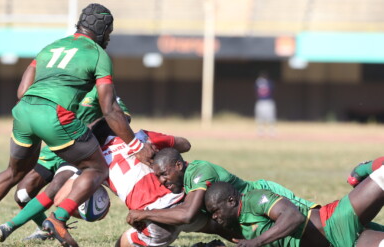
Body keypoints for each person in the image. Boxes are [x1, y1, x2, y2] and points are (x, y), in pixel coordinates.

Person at [0, 3, 154, 247]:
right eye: (109, 33)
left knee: (13, 173)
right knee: (97, 168)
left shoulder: (51, 46)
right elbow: (110, 109)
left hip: (24, 110)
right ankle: (58, 219)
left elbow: (22, 91)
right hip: (54, 115)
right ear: (102, 31)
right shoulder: (99, 54)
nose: (109, 39)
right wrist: (135, 145)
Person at [0, 118, 192, 246]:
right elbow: (185, 144)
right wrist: (156, 151)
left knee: (121, 242)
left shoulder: (94, 160)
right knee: (207, 223)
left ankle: (24, 224)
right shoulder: (141, 138)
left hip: (154, 221)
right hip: (186, 203)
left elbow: (60, 198)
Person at [0, 87, 131, 242]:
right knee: (22, 194)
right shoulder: (57, 86)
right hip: (54, 149)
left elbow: (122, 117)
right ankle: (45, 230)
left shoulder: (100, 88)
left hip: (81, 147)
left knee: (56, 187)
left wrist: (92, 132)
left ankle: (10, 226)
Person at [126, 148, 317, 243]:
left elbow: (187, 215)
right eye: (158, 176)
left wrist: (144, 214)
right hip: (250, 218)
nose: (161, 180)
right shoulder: (184, 183)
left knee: (318, 226)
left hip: (266, 199)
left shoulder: (199, 170)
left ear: (178, 165)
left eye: (164, 174)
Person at [204, 168, 384, 247]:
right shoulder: (240, 228)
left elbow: (293, 216)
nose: (214, 216)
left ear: (231, 201)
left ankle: (364, 167)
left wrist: (256, 242)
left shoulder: (254, 198)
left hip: (334, 221)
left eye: (215, 211)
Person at [254, 71, 276, 137]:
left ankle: (271, 131)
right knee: (259, 117)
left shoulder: (269, 83)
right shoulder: (258, 83)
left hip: (268, 101)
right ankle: (260, 131)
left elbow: (272, 89)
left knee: (270, 117)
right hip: (260, 101)